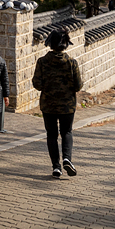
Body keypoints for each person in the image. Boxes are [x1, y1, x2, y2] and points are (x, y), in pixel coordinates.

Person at [32, 29, 83, 178]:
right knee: (66, 132)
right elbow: (78, 86)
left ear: (50, 44)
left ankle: (56, 167)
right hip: (67, 105)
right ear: (65, 44)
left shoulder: (42, 62)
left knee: (52, 135)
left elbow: (37, 84)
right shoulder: (72, 63)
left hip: (48, 105)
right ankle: (67, 158)